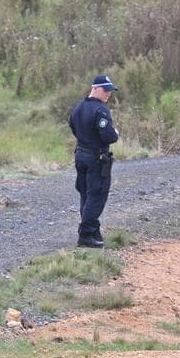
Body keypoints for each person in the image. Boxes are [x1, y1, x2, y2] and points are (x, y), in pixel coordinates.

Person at [69, 74, 120, 248]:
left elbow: (73, 127)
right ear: (95, 89)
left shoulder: (77, 107)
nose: (108, 94)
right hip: (96, 158)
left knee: (85, 194)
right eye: (105, 90)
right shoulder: (100, 110)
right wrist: (116, 134)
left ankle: (93, 231)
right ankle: (86, 234)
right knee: (96, 196)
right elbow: (108, 136)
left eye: (110, 91)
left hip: (80, 155)